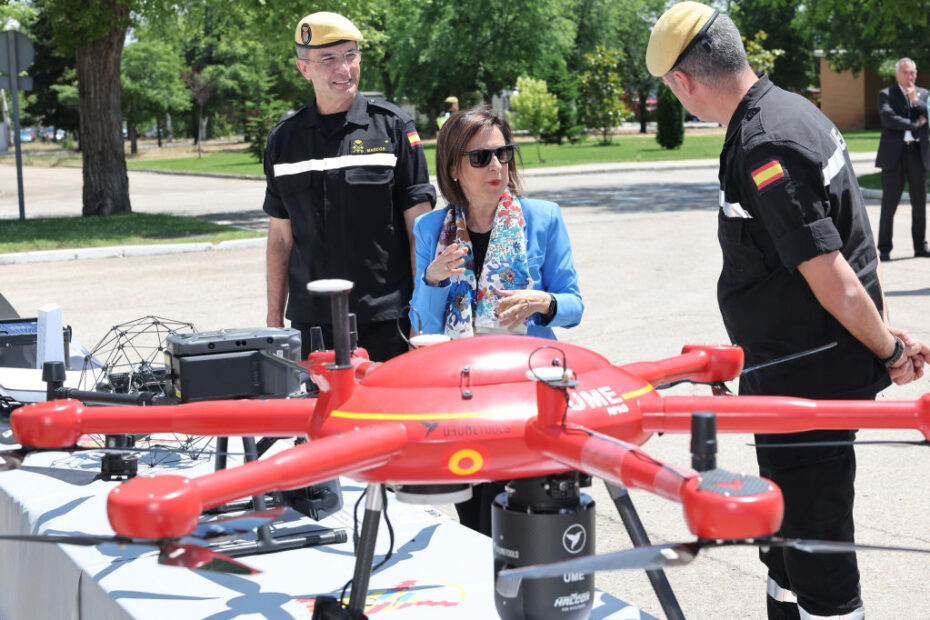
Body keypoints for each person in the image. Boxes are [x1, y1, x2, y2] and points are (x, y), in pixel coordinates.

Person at [646, 3, 929, 619]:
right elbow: (848, 249)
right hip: (797, 366)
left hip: (805, 383)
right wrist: (884, 337)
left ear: (683, 82)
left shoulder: (763, 141)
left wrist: (887, 349)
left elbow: (832, 274)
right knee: (784, 546)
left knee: (817, 550)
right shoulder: (790, 109)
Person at [409, 107, 583, 533]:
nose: (497, 166)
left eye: (504, 154)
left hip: (525, 391)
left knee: (508, 516)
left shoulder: (542, 218)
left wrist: (543, 300)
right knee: (472, 519)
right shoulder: (432, 229)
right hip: (462, 394)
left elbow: (574, 305)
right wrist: (432, 277)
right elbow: (423, 326)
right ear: (453, 167)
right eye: (481, 158)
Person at [263, 12, 436, 362]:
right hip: (310, 325)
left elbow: (421, 231)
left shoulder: (394, 129)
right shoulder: (284, 141)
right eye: (328, 59)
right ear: (304, 68)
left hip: (387, 320)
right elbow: (281, 239)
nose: (344, 68)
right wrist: (273, 320)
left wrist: (422, 315)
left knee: (388, 416)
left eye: (350, 55)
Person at [875, 58, 930, 261]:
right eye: (906, 72)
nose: (910, 76)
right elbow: (889, 119)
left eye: (913, 72)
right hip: (894, 156)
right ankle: (884, 248)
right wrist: (916, 124)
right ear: (897, 74)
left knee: (919, 202)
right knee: (889, 204)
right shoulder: (886, 94)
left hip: (917, 153)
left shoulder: (924, 94)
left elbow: (929, 117)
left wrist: (917, 102)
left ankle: (920, 245)